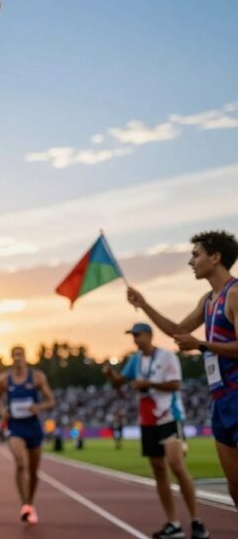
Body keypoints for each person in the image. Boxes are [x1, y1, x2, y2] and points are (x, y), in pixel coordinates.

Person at [127, 230, 238, 505]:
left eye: (195, 254)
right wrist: (143, 305)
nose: (191, 262)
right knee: (235, 488)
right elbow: (178, 330)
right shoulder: (207, 300)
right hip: (220, 399)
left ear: (215, 257)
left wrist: (201, 345)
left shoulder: (234, 294)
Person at [103, 323, 208, 539]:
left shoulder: (167, 357)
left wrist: (147, 383)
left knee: (176, 465)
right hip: (147, 419)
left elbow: (176, 385)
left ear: (150, 335)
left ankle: (197, 520)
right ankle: (173, 523)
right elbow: (119, 384)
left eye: (138, 335)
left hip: (169, 415)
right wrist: (109, 374)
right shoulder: (135, 360)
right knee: (159, 471)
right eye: (133, 336)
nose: (135, 340)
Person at [0, 345, 55, 526]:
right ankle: (24, 506)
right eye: (15, 355)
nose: (18, 358)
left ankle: (30, 503)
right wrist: (2, 410)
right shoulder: (4, 379)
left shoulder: (37, 377)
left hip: (33, 427)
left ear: (25, 358)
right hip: (16, 427)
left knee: (34, 472)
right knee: (21, 463)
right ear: (11, 359)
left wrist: (39, 407)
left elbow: (51, 400)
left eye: (21, 355)